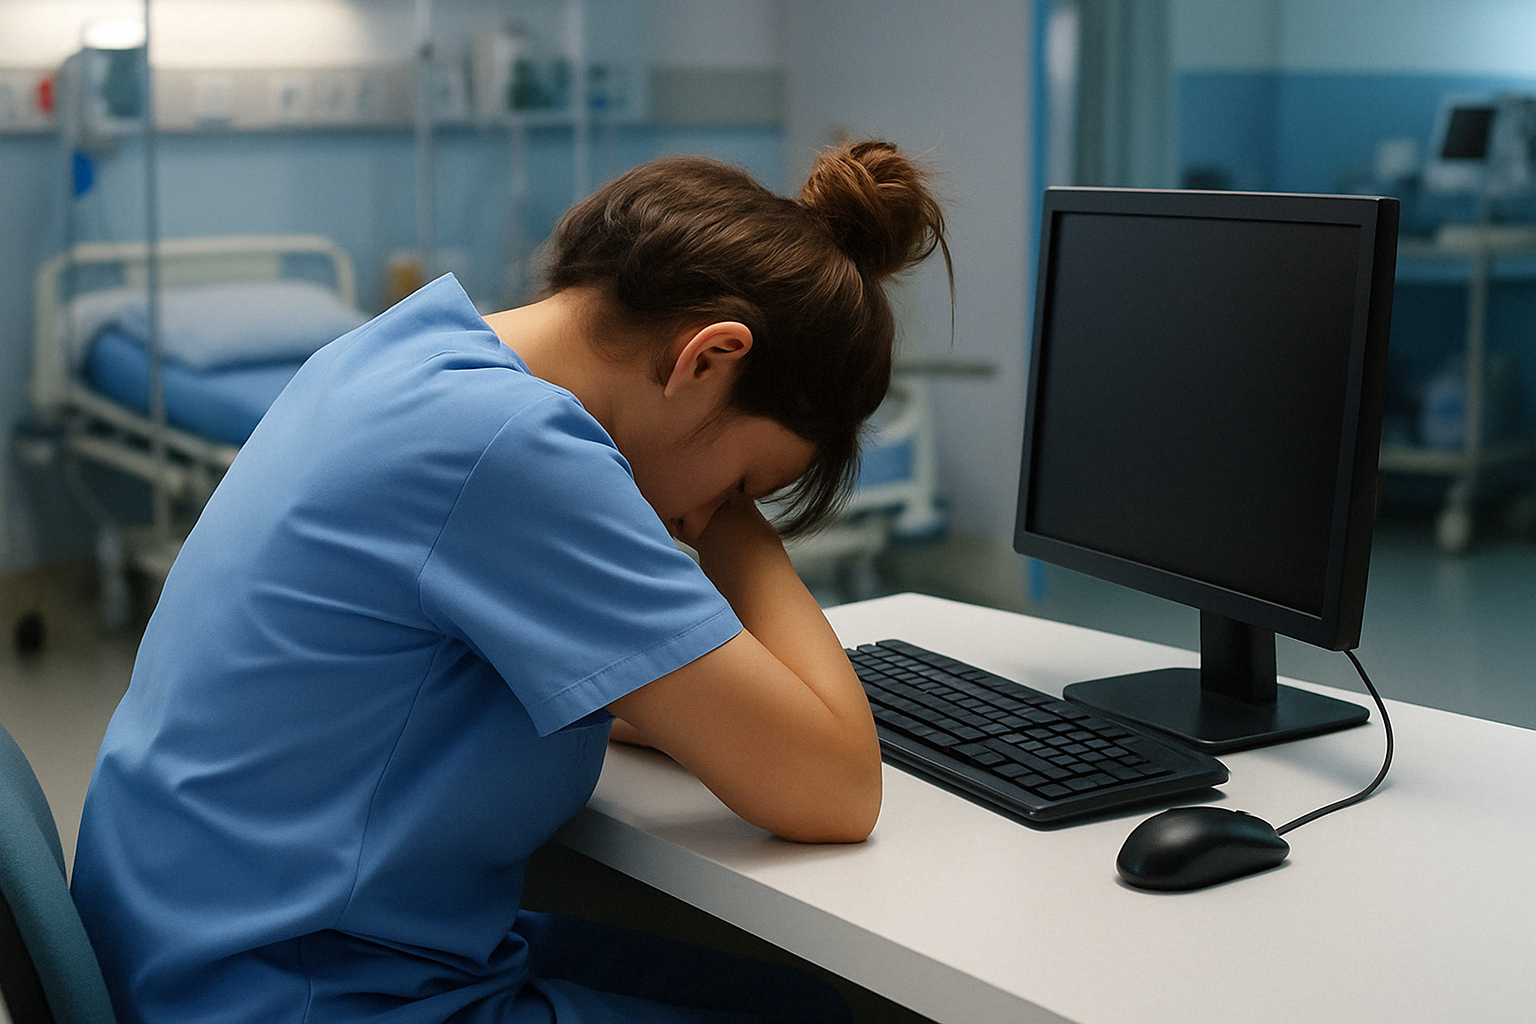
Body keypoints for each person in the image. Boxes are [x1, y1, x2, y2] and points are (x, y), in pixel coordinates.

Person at [71, 139, 950, 1024]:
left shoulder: (402, 351)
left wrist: (707, 693)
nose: (693, 522)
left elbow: (602, 696)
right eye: (742, 487)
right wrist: (736, 534)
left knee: (803, 995)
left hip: (197, 943)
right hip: (292, 992)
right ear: (709, 358)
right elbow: (836, 791)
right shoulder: (513, 450)